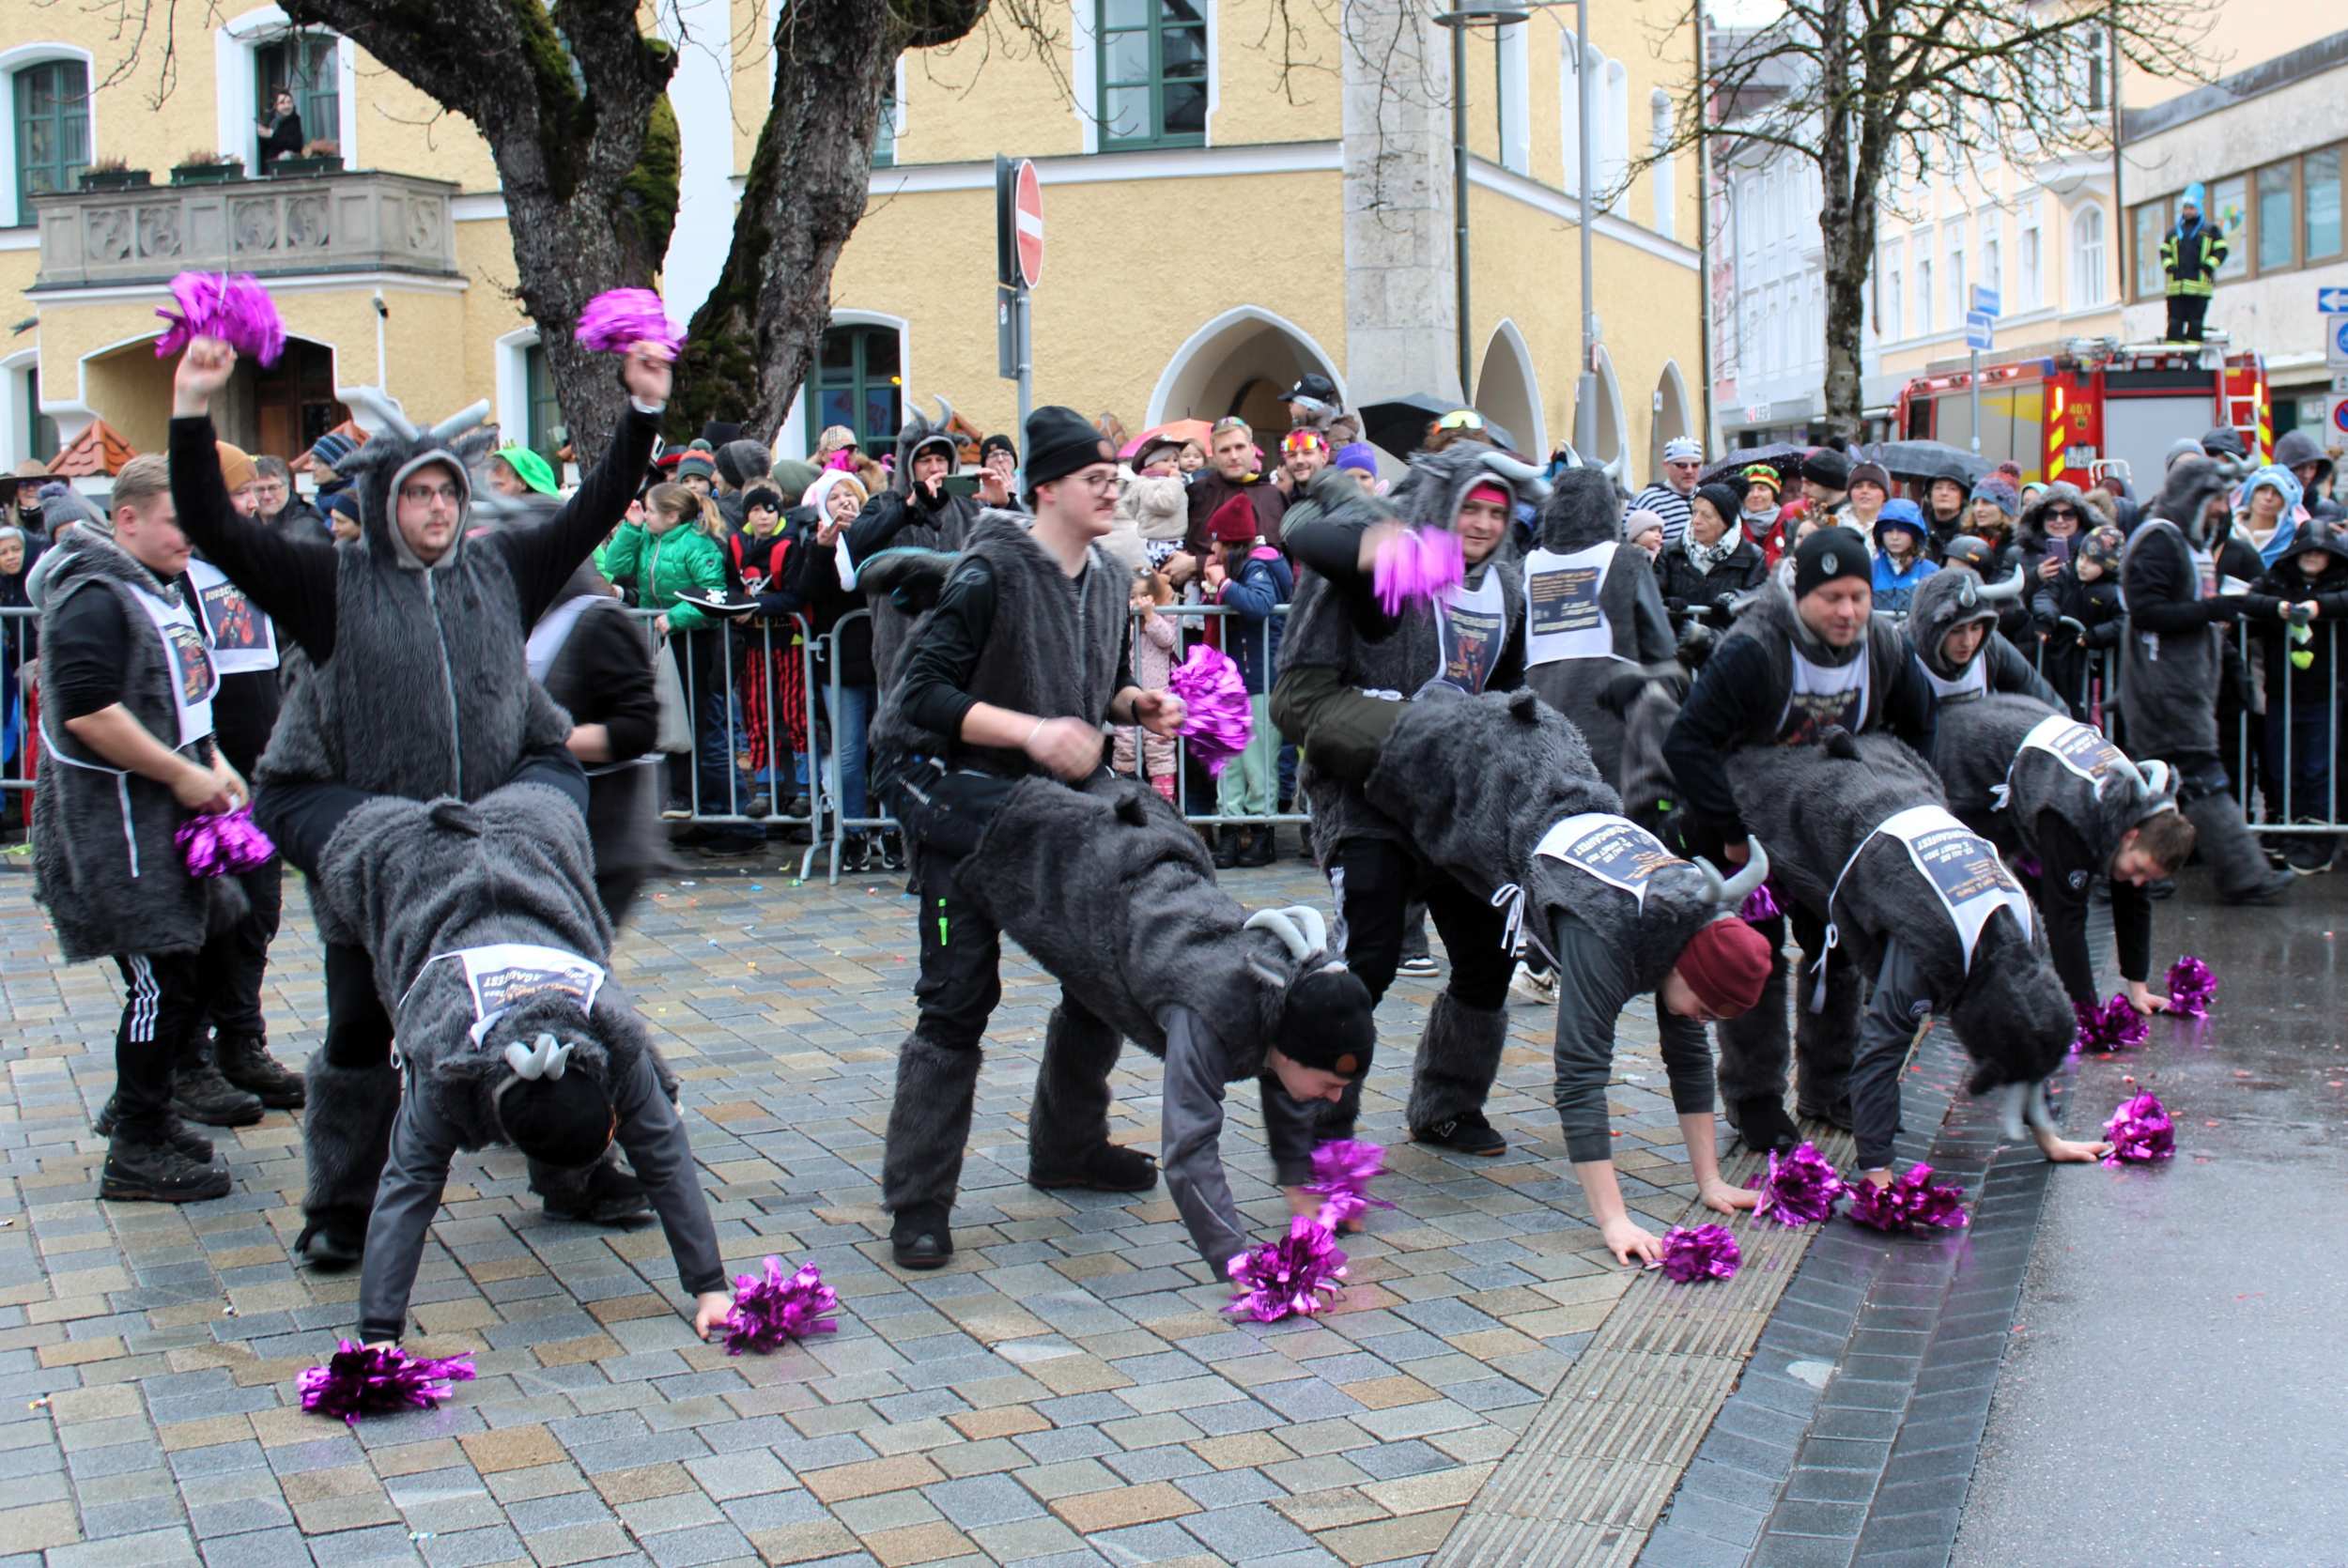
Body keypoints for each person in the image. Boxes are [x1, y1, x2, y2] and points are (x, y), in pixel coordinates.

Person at [162, 331, 669, 1265]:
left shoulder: (501, 572)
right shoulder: (330, 586)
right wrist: (193, 405)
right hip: (378, 858)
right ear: (383, 501)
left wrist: (642, 411)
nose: (435, 508)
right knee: (361, 1026)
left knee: (545, 1002)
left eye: (447, 491)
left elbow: (596, 507)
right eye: (417, 493)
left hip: (501, 855)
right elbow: (217, 526)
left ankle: (574, 1166)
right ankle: (342, 1206)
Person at [865, 405, 1186, 1269]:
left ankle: (1068, 1146)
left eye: (1115, 473)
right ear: (1047, 488)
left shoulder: (1110, 580)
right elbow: (916, 698)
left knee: (1102, 978)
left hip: (1061, 820)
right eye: (1094, 476)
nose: (1112, 486)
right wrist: (1030, 731)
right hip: (965, 817)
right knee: (956, 1004)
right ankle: (918, 1204)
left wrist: (1134, 705)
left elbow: (1103, 684)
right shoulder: (988, 574)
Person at [301, 772, 730, 1345]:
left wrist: (712, 1290)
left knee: (550, 775)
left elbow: (664, 1155)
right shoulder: (446, 1064)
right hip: (415, 867)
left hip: (536, 840)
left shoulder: (612, 1037)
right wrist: (378, 1336)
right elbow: (408, 1188)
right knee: (326, 829)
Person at [1270, 442, 1549, 1159]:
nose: (1483, 524)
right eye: (1471, 509)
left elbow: (1507, 690)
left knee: (1487, 958)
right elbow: (1302, 545)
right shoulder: (1384, 564)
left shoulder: (1509, 589)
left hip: (1454, 802)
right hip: (1369, 794)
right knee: (1370, 956)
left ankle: (1448, 1105)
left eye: (1496, 511)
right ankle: (1321, 1125)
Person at [1726, 730, 2113, 1185]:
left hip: (1896, 794)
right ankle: (1755, 1096)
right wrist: (1878, 1171)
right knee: (1783, 948)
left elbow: (2030, 1031)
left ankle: (1822, 1093)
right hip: (1816, 799)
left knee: (1836, 959)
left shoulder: (2027, 937)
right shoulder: (1928, 953)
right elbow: (1879, 1053)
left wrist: (2050, 1137)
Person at [1661, 530, 1939, 1152]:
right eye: (1832, 598)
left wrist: (1906, 803)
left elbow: (1922, 722)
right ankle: (1755, 1100)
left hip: (1831, 833)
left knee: (1836, 958)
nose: (1847, 612)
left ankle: (1829, 1085)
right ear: (1801, 594)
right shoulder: (1756, 648)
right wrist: (1732, 837)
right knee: (1753, 964)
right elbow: (1687, 743)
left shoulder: (1885, 647)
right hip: (1745, 829)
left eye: (1859, 597)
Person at [26, 464, 243, 1204]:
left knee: (201, 960)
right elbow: (86, 711)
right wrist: (180, 776)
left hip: (164, 830)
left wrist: (211, 761)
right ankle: (136, 1143)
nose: (193, 536)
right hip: (117, 835)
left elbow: (179, 694)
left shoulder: (150, 589)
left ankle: (145, 1102)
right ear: (126, 521)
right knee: (161, 983)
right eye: (177, 520)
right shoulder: (92, 595)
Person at [1938, 693, 2197, 1011]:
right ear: (2130, 836)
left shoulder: (2143, 815)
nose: (2139, 881)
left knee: (2042, 891)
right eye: (2140, 869)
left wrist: (2137, 987)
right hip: (1971, 749)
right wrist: (2088, 1013)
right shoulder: (2073, 816)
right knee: (1964, 870)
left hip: (2028, 744)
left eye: (2149, 877)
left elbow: (2133, 900)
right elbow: (2067, 919)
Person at [2120, 456, 2294, 905]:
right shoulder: (2160, 540)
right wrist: (2214, 611)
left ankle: (2145, 871)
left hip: (2181, 686)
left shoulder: (2188, 541)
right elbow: (2147, 611)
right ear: (2193, 498)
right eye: (2215, 498)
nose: (2223, 507)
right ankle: (2242, 875)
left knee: (2159, 783)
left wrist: (2254, 603)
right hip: (2164, 688)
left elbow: (2190, 602)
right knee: (2196, 780)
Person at [601, 484, 762, 853]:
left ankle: (739, 824)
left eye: (651, 511)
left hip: (698, 644)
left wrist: (677, 617)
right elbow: (616, 566)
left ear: (673, 516)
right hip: (667, 640)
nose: (647, 515)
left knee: (709, 735)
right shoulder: (649, 539)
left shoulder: (698, 544)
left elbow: (714, 592)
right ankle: (708, 814)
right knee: (680, 734)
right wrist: (632, 527)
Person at [1525, 467, 1676, 792]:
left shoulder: (1527, 566)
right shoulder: (1626, 561)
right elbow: (1661, 649)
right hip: (1617, 725)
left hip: (1539, 725)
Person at [842, 397, 992, 692]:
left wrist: (1006, 502)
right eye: (925, 461)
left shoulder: (970, 509)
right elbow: (856, 542)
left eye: (941, 460)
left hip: (960, 648)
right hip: (899, 646)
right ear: (909, 465)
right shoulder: (885, 504)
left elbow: (1018, 548)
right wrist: (907, 509)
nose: (934, 468)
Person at [2248, 517, 2348, 870]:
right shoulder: (2277, 579)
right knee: (2280, 766)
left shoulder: (2340, 579)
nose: (2313, 557)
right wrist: (2278, 608)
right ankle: (2289, 830)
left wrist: (2320, 607)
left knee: (2318, 767)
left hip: (2325, 692)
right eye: (2308, 550)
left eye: (2321, 551)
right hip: (2282, 692)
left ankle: (2319, 838)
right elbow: (2249, 600)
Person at [1204, 493, 1292, 864]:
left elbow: (1259, 606)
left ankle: (1261, 834)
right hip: (1235, 676)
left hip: (1259, 675)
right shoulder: (1250, 564)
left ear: (1231, 541)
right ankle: (1229, 829)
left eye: (1217, 542)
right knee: (1230, 761)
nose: (1213, 550)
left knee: (1259, 761)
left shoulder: (1259, 566)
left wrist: (1223, 586)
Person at [1905, 567, 2062, 715]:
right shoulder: (1901, 654)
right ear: (1931, 630)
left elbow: (2039, 693)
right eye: (1956, 631)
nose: (1968, 642)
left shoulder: (1990, 646)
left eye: (1976, 628)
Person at [1654, 483, 1767, 630]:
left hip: (1727, 644)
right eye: (1694, 512)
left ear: (1725, 522)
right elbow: (1652, 592)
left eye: (1706, 516)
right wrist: (1666, 603)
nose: (1696, 521)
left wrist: (1732, 599)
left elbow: (1758, 597)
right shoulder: (1671, 551)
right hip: (1677, 642)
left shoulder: (1752, 556)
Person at [1114, 564, 1181, 803]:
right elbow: (1122, 646)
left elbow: (1168, 640)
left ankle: (1164, 803)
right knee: (1125, 745)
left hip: (1159, 693)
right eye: (1133, 597)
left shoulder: (1165, 616)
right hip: (1130, 698)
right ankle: (1125, 797)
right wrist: (1130, 621)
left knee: (1160, 749)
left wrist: (1150, 616)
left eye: (1144, 595)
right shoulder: (1125, 623)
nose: (1139, 601)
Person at [1185, 416, 1287, 557]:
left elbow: (1282, 556)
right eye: (1225, 450)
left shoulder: (1273, 495)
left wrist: (1197, 564)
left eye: (1239, 447)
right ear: (1213, 456)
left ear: (1252, 450)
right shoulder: (1196, 493)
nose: (1233, 456)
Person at [2160, 183, 2227, 344]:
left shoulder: (2210, 230)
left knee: (2195, 325)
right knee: (2174, 323)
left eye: (2191, 208)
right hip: (2177, 288)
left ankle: (2192, 358)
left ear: (2198, 208)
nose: (2188, 211)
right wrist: (2169, 266)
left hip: (2199, 288)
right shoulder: (2174, 232)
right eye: (2186, 208)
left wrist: (2209, 265)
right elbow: (2164, 251)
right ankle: (2174, 356)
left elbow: (2221, 250)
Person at [1631, 437, 1703, 548]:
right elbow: (1628, 540)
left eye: (1695, 465)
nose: (1689, 471)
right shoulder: (1649, 500)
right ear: (1666, 466)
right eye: (1681, 465)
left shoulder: (1706, 498)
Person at [1870, 500, 1937, 615]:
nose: (1894, 537)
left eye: (1902, 531)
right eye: (1888, 531)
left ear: (1915, 534)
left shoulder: (1931, 572)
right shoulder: (1869, 569)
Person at [1282, 372, 1362, 448]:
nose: (1290, 405)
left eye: (1293, 401)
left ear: (1309, 405)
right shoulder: (1309, 432)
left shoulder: (1336, 439)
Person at [252, 456, 325, 539]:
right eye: (259, 489)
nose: (266, 496)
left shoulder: (307, 527)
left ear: (288, 486)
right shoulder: (246, 522)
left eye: (273, 488)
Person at [486, 445, 559, 500]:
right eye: (488, 487)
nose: (490, 494)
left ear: (522, 482)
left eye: (497, 485)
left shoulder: (546, 515)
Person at [256, 87, 303, 170]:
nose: (287, 106)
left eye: (289, 102)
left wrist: (272, 135)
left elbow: (295, 144)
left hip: (288, 170)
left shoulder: (296, 121)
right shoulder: (272, 122)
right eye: (282, 103)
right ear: (276, 106)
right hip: (270, 170)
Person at [1800, 449, 1851, 519]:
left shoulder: (1859, 517)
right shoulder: (1802, 520)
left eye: (1809, 484)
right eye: (1802, 483)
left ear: (1829, 483)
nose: (1803, 490)